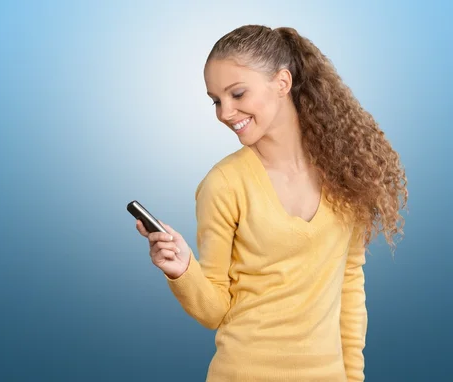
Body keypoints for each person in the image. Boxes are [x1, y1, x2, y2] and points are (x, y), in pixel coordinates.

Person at [135, 25, 408, 381]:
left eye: (237, 93)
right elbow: (215, 311)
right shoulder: (224, 184)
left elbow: (349, 284)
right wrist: (183, 268)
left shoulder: (343, 174)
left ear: (282, 83)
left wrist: (353, 376)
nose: (224, 112)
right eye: (217, 100)